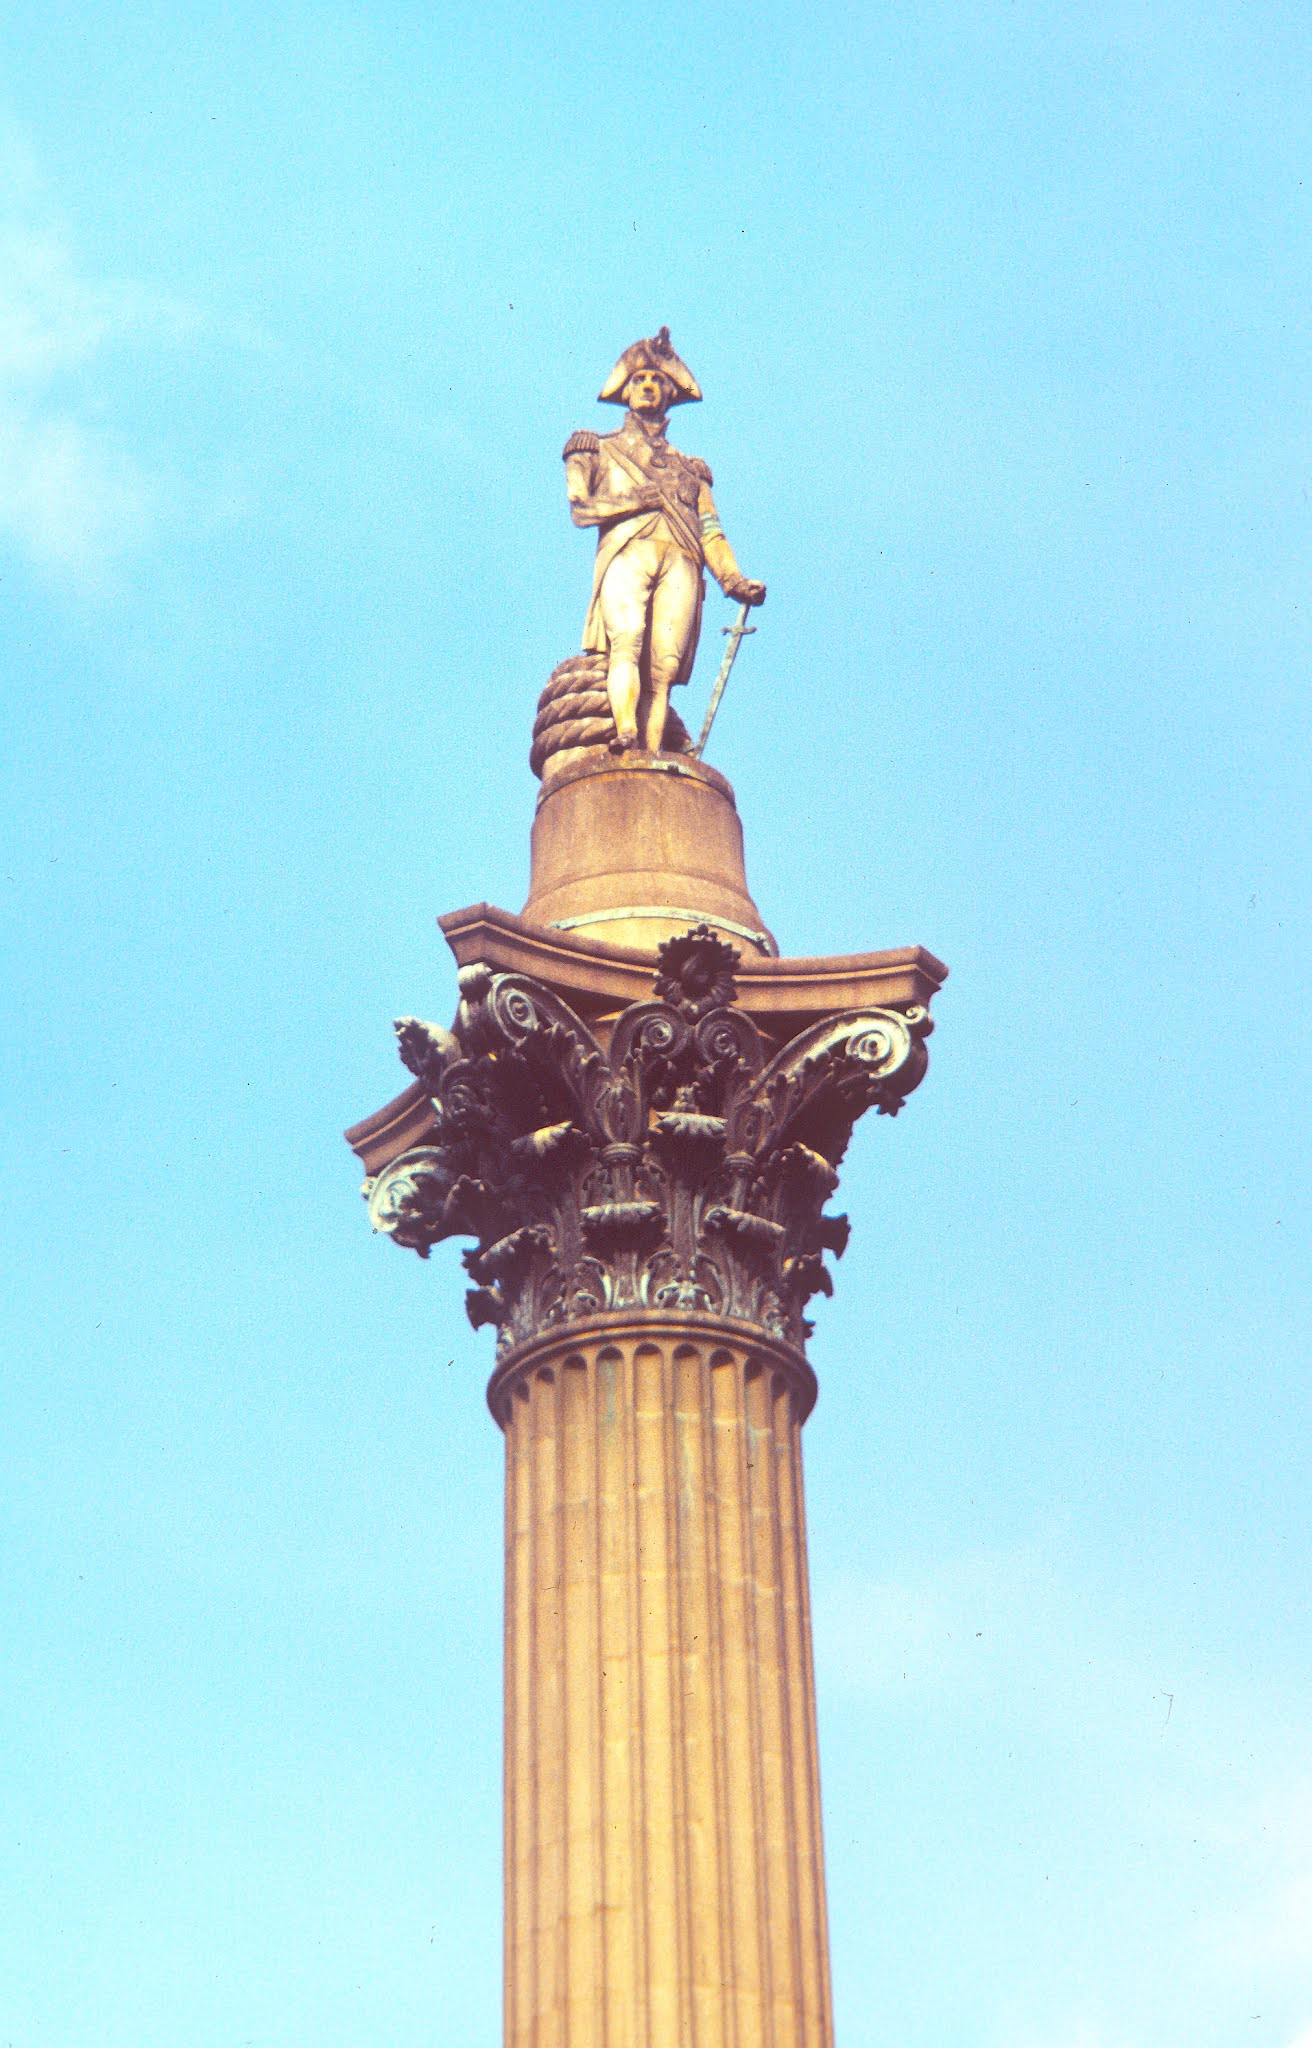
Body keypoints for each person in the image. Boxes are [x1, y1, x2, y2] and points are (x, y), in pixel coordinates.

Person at [562, 328, 765, 754]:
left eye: (657, 380)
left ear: (671, 392)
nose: (649, 386)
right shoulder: (596, 448)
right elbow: (581, 510)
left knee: (663, 669)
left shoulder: (691, 470)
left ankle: (651, 751)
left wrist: (733, 580)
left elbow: (710, 530)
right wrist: (638, 500)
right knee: (627, 639)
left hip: (682, 559)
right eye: (639, 379)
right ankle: (626, 733)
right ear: (626, 391)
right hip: (627, 551)